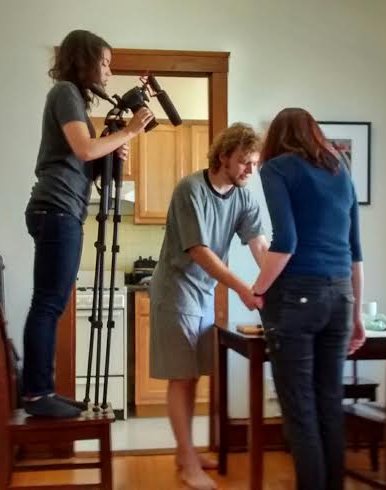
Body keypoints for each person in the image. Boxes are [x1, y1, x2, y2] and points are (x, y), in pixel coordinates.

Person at [22, 29, 154, 418]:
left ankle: (43, 391)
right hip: (56, 209)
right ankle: (37, 395)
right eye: (106, 63)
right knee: (48, 304)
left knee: (51, 303)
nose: (109, 72)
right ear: (85, 61)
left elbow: (84, 163)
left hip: (62, 209)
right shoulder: (65, 93)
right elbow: (83, 149)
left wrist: (110, 155)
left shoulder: (75, 100)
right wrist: (128, 131)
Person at [149, 122, 268, 490]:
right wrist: (243, 289)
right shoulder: (191, 190)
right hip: (175, 290)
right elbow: (199, 251)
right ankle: (188, 462)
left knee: (194, 376)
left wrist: (272, 284)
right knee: (181, 377)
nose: (250, 170)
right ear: (224, 157)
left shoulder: (244, 196)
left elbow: (260, 246)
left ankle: (185, 451)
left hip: (203, 293)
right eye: (245, 162)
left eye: (255, 164)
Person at [252, 108, 366, 490]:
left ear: (276, 138)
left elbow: (285, 242)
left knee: (300, 408)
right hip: (341, 297)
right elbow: (356, 253)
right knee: (329, 403)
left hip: (297, 296)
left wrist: (257, 289)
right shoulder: (342, 173)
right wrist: (357, 315)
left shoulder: (277, 169)